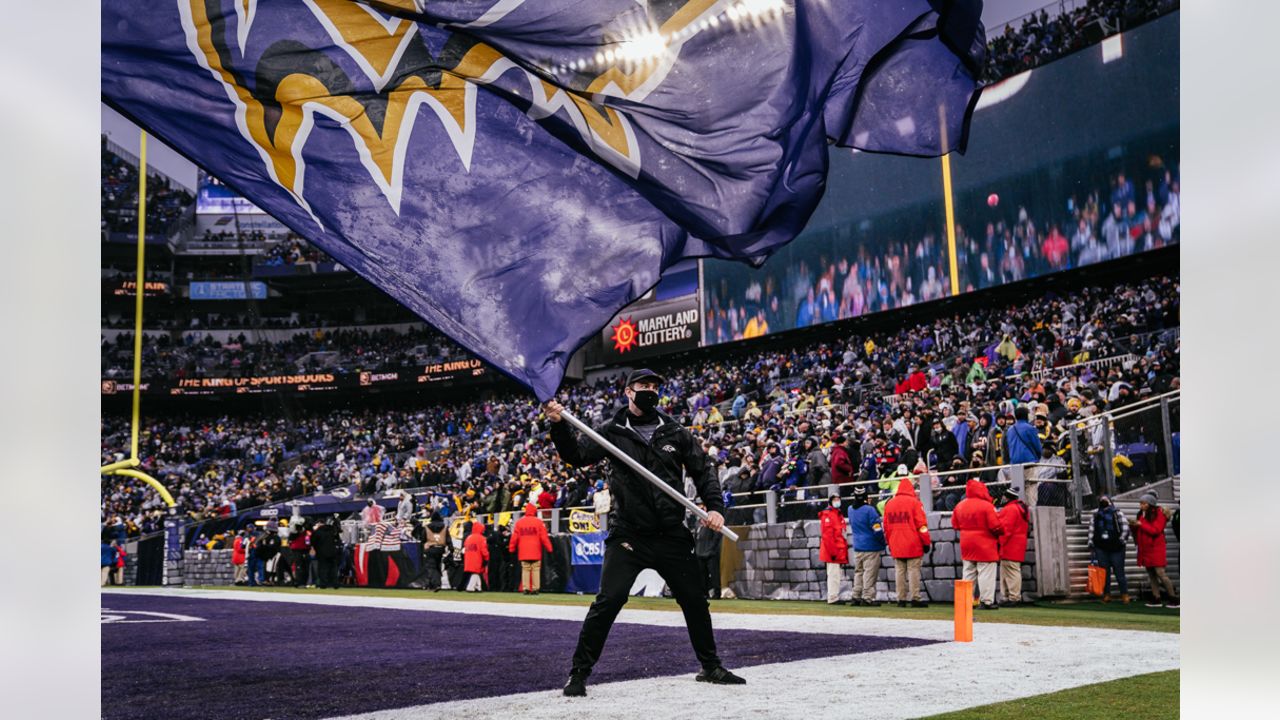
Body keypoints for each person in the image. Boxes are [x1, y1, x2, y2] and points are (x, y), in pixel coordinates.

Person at [546, 368, 745, 697]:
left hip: (670, 532)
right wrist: (558, 424)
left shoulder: (674, 432)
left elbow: (702, 469)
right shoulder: (611, 431)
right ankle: (578, 673)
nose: (650, 390)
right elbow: (576, 456)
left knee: (695, 601)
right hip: (629, 535)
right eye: (644, 386)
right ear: (629, 391)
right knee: (608, 601)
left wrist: (714, 508)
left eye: (655, 386)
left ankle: (710, 666)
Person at [952, 479, 1004, 610]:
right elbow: (996, 526)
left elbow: (955, 524)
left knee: (968, 573)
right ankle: (986, 601)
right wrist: (1000, 533)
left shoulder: (960, 505)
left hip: (966, 543)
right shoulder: (987, 506)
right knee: (986, 572)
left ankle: (965, 601)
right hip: (985, 544)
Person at [882, 477, 930, 608]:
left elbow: (886, 527)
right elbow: (922, 526)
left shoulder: (890, 504)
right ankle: (915, 598)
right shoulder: (915, 503)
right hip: (913, 543)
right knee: (913, 571)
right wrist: (926, 542)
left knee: (899, 571)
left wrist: (890, 543)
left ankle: (901, 599)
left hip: (896, 544)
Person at [1134, 493, 1178, 608]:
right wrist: (1134, 525)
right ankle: (1156, 598)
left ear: (1150, 504)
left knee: (1160, 573)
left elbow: (1156, 530)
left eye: (1143, 503)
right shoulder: (1141, 514)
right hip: (1146, 548)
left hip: (1156, 547)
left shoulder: (1159, 514)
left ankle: (1173, 598)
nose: (1141, 505)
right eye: (1140, 503)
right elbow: (1141, 531)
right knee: (1151, 574)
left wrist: (1140, 524)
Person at [846, 486, 886, 606]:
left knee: (858, 572)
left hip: (858, 546)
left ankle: (856, 595)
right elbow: (877, 529)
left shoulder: (850, 509)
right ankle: (867, 597)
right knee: (869, 573)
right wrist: (882, 542)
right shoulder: (870, 510)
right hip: (871, 546)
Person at [1088, 495, 1130, 603]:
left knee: (1119, 572)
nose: (1103, 502)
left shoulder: (1117, 513)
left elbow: (1125, 527)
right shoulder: (1096, 515)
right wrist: (1091, 543)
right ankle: (1106, 595)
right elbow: (1091, 530)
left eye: (1105, 500)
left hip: (1116, 547)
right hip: (1101, 547)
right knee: (1104, 573)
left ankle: (1124, 594)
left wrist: (1121, 541)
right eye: (1101, 500)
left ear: (1110, 502)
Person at [996, 488, 1031, 606]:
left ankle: (1013, 597)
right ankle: (1008, 597)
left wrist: (999, 542)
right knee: (1008, 571)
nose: (1002, 498)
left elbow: (1005, 529)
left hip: (1009, 545)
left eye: (1004, 496)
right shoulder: (1020, 508)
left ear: (1008, 497)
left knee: (1011, 572)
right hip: (1016, 545)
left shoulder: (1010, 509)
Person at [509, 503, 553, 594]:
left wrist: (511, 548)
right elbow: (544, 537)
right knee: (536, 569)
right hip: (536, 551)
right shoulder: (539, 522)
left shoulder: (519, 523)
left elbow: (514, 537)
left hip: (523, 551)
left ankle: (526, 588)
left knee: (525, 569)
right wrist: (550, 549)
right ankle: (535, 588)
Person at [818, 495, 850, 605]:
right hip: (833, 551)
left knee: (835, 575)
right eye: (835, 500)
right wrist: (833, 553)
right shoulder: (829, 514)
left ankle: (834, 596)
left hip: (837, 550)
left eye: (838, 500)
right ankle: (832, 597)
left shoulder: (837, 514)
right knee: (833, 575)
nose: (837, 502)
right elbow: (827, 536)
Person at [694, 500, 723, 600]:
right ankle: (704, 592)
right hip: (700, 551)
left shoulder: (711, 522)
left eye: (702, 508)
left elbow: (717, 536)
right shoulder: (697, 523)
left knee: (714, 574)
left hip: (710, 552)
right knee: (702, 575)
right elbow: (696, 537)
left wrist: (712, 549)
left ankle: (717, 592)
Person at [311, 517, 342, 589]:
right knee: (333, 568)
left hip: (321, 552)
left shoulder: (317, 532)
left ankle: (323, 584)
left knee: (322, 568)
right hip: (332, 552)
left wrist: (316, 549)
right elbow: (337, 540)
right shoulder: (332, 530)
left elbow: (313, 542)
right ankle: (335, 584)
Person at [422, 512, 449, 591]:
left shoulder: (427, 527)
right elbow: (448, 538)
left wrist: (424, 548)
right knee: (437, 566)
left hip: (430, 549)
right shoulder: (444, 526)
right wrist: (451, 548)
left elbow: (423, 538)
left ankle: (436, 584)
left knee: (431, 567)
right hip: (440, 549)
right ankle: (431, 585)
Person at [463, 520, 489, 592]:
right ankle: (470, 587)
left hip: (468, 558)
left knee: (476, 572)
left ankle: (478, 587)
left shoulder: (468, 538)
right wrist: (487, 558)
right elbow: (484, 551)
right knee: (476, 572)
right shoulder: (481, 538)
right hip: (477, 558)